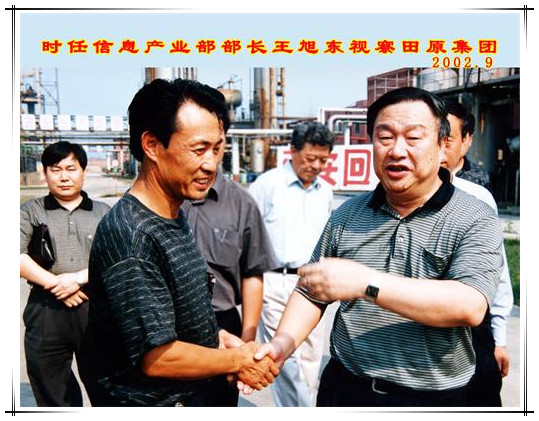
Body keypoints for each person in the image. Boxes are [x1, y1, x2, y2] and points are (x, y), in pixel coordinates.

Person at [255, 87, 504, 407]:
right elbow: (309, 292)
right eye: (385, 137)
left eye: (413, 137)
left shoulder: (474, 216)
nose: (397, 150)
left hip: (431, 399)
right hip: (346, 389)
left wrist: (366, 284)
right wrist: (282, 344)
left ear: (443, 145)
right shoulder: (347, 215)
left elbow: (469, 305)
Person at [79, 78, 278, 407]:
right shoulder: (132, 234)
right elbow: (158, 357)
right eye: (199, 149)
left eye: (217, 149)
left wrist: (218, 338)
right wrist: (239, 359)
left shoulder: (173, 214)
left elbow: (174, 317)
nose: (211, 164)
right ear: (152, 145)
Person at [248, 122, 334, 407]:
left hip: (313, 281)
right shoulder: (267, 186)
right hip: (276, 280)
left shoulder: (325, 191)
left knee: (310, 356)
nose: (316, 166)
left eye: (323, 160)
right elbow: (247, 233)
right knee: (284, 357)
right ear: (293, 151)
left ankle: (301, 407)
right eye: (310, 158)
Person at [20, 141, 110, 406]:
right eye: (56, 169)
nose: (64, 176)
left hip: (95, 307)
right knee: (51, 390)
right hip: (45, 309)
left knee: (107, 385)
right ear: (44, 173)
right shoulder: (31, 210)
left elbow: (116, 259)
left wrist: (78, 279)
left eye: (71, 169)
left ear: (83, 171)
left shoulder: (104, 212)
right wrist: (57, 285)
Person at [181, 167, 278, 406]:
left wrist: (245, 346)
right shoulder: (162, 197)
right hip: (167, 324)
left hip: (222, 320)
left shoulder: (241, 203)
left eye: (214, 149)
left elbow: (252, 274)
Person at [443, 108, 513, 406]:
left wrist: (499, 336)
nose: (439, 146)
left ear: (467, 140)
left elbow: (499, 269)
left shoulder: (478, 192)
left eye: (447, 138)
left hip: (473, 329)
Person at [444, 101, 491, 189]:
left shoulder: (478, 179)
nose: (439, 150)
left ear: (466, 140)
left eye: (447, 142)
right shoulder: (424, 172)